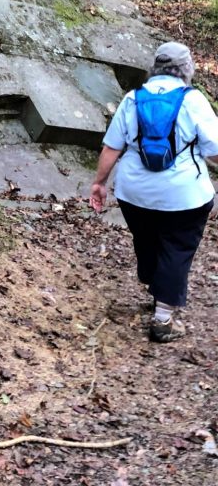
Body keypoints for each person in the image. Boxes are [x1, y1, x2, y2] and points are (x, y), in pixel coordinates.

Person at [89, 41, 218, 342]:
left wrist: (99, 183)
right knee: (177, 247)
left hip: (134, 193)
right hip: (184, 196)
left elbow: (112, 147)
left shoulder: (133, 99)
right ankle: (163, 320)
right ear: (187, 69)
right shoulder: (193, 100)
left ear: (155, 68)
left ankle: (154, 282)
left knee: (147, 238)